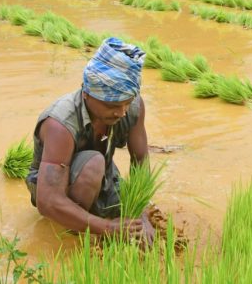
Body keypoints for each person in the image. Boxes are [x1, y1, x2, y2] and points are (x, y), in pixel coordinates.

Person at [25, 37, 155, 243]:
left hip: (103, 175)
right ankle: (74, 231)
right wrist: (108, 228)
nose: (121, 112)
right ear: (87, 93)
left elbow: (140, 160)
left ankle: (93, 217)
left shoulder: (133, 109)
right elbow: (47, 200)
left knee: (120, 202)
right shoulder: (60, 123)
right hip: (56, 186)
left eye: (127, 103)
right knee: (94, 163)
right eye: (112, 105)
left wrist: (142, 211)